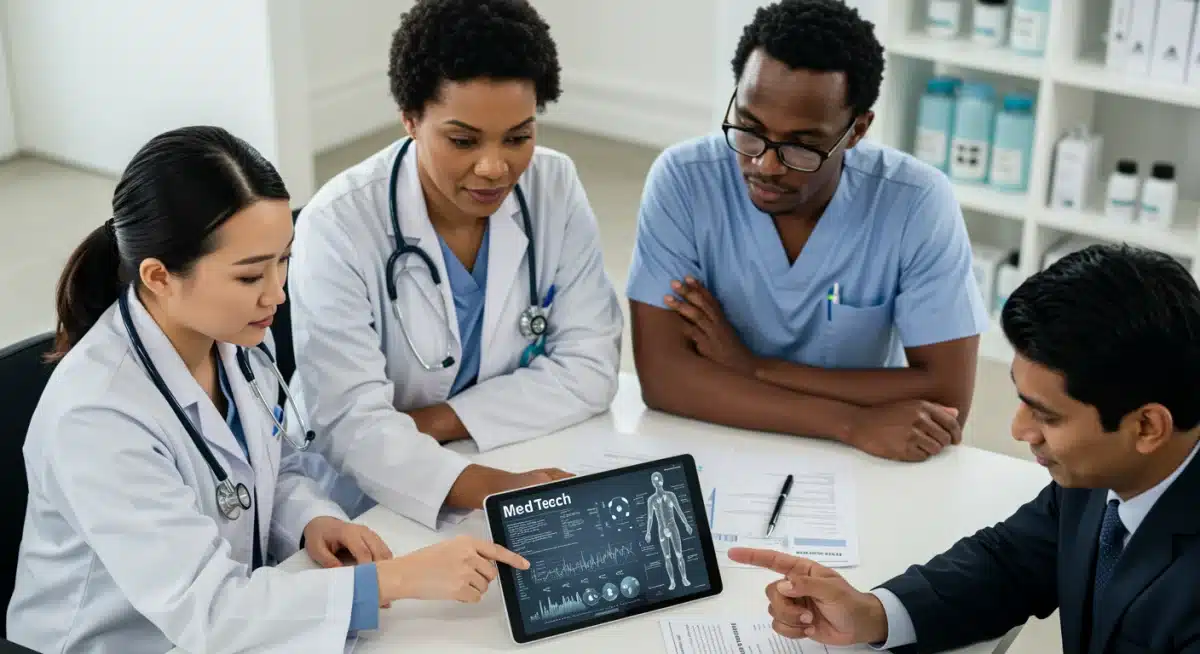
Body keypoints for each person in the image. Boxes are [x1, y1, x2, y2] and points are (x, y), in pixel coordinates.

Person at [6, 126, 533, 653]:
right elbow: (211, 613)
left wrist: (312, 519)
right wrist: (402, 579)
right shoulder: (97, 417)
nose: (277, 294)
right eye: (250, 276)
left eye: (284, 260)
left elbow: (276, 464)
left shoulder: (234, 339)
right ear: (159, 277)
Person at [729, 243, 1200, 653]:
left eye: (1047, 415)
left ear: (1147, 427)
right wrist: (873, 613)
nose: (1020, 430)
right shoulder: (1101, 473)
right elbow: (1010, 563)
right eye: (1022, 401)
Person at [285, 0, 623, 528]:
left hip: (498, 448)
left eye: (518, 137)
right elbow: (351, 428)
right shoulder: (339, 224)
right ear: (410, 120)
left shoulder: (553, 186)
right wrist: (499, 489)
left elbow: (591, 369)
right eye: (462, 141)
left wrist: (431, 422)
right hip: (367, 496)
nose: (494, 168)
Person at [625, 0, 989, 463]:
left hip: (858, 462)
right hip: (721, 441)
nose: (765, 164)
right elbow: (664, 379)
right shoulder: (684, 179)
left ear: (856, 130)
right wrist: (848, 421)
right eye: (750, 129)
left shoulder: (915, 203)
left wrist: (753, 369)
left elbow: (946, 394)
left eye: (801, 146)